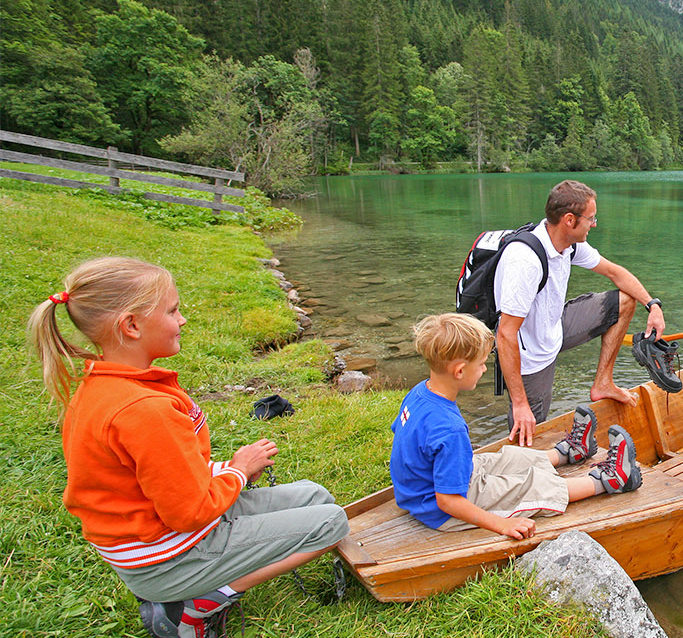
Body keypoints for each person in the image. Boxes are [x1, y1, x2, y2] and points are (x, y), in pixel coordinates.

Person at [27, 257, 348, 638]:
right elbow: (190, 512)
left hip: (164, 532)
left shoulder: (115, 385)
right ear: (131, 325)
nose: (182, 320)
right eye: (173, 311)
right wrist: (239, 471)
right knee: (332, 522)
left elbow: (156, 474)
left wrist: (222, 471)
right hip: (166, 558)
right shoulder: (142, 409)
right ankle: (201, 601)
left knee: (315, 495)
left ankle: (205, 580)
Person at [390, 313, 642, 539]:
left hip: (425, 488)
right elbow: (448, 501)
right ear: (459, 371)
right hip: (439, 508)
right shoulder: (450, 428)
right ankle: (611, 479)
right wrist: (501, 525)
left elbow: (403, 436)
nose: (484, 368)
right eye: (481, 364)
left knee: (507, 458)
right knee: (529, 487)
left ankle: (567, 454)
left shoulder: (419, 393)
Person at [495, 179, 667, 447]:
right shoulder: (525, 261)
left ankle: (603, 383)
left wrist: (653, 305)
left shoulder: (569, 244)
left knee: (625, 301)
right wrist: (519, 403)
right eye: (591, 218)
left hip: (554, 327)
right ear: (569, 220)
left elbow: (615, 273)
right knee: (528, 431)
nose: (594, 224)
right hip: (529, 353)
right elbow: (505, 334)